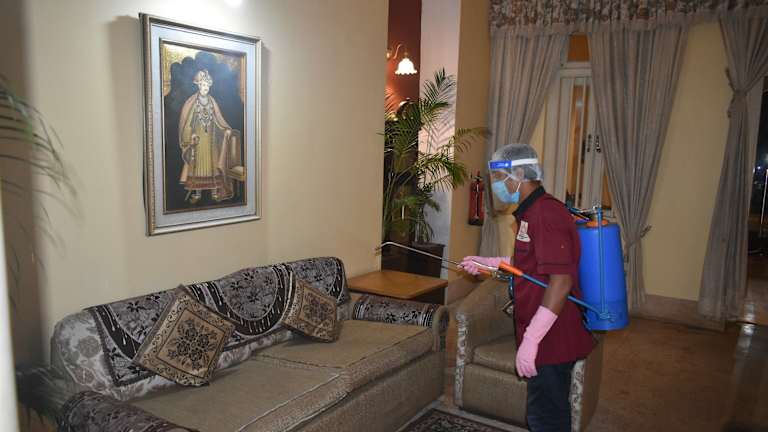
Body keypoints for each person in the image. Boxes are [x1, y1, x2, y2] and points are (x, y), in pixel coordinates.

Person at [460, 143, 595, 432]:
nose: (496, 186)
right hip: (543, 330)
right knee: (543, 411)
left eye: (499, 178)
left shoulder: (546, 214)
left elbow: (561, 281)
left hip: (553, 336)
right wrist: (490, 264)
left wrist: (532, 339)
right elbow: (531, 264)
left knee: (546, 418)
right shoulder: (531, 212)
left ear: (519, 174)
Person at [178, 69, 239, 204]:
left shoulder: (212, 101)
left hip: (211, 141)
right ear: (199, 85)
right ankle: (197, 193)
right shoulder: (193, 102)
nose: (206, 88)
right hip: (198, 141)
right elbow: (187, 123)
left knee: (213, 166)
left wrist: (225, 129)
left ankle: (215, 192)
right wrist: (191, 135)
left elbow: (218, 119)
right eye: (203, 85)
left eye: (207, 85)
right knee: (198, 167)